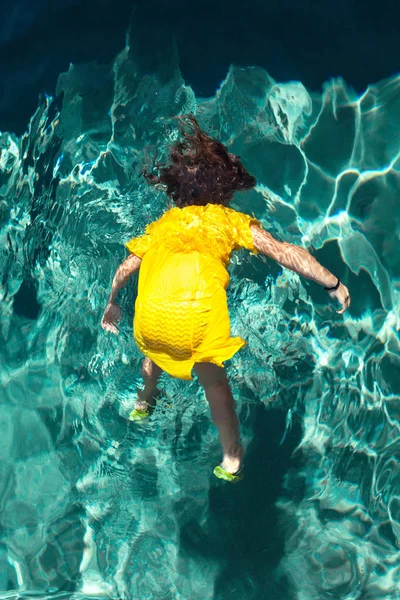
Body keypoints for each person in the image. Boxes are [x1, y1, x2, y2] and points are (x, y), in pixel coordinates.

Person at [101, 116, 350, 482]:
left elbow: (126, 267)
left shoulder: (164, 224)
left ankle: (145, 400)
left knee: (152, 355)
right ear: (224, 189)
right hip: (197, 323)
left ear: (177, 191)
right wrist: (332, 282)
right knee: (214, 383)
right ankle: (232, 455)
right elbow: (283, 252)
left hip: (148, 321)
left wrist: (112, 300)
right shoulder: (230, 221)